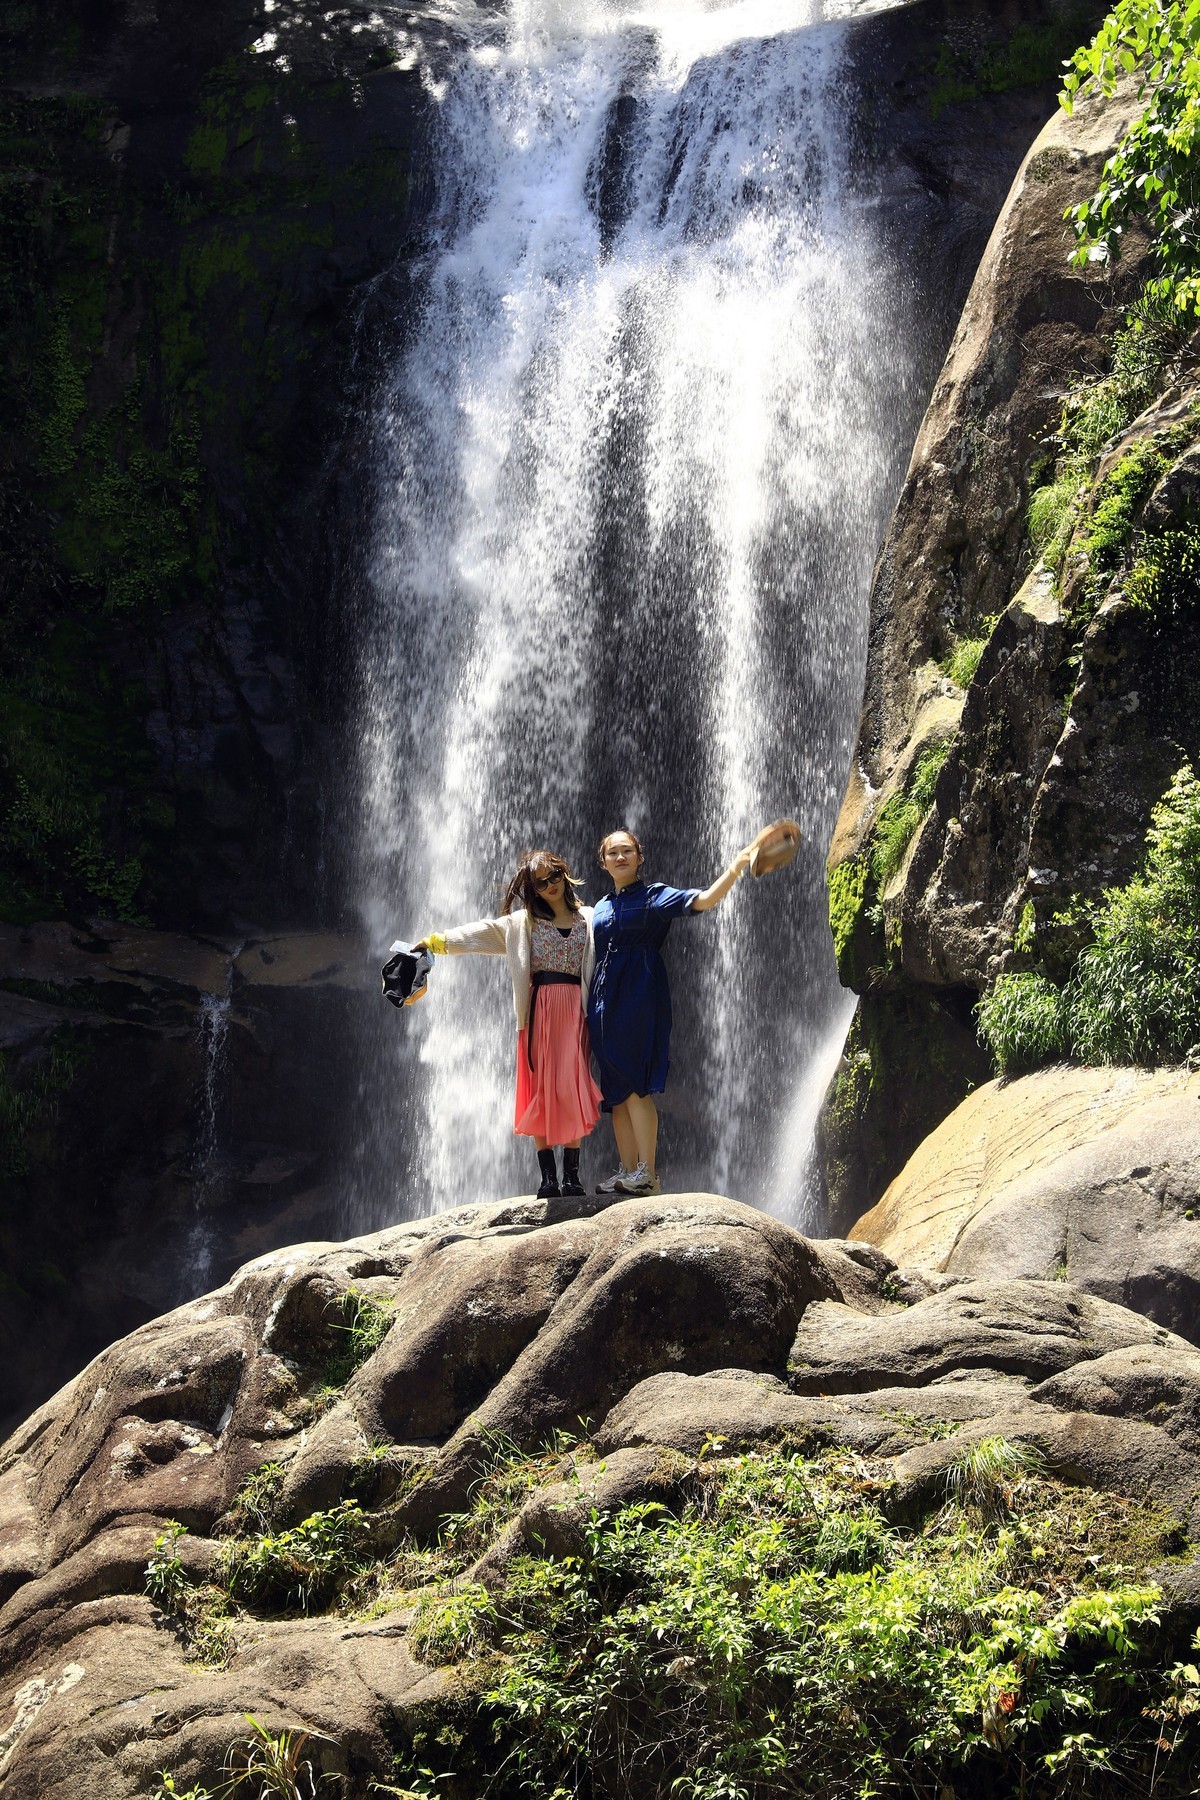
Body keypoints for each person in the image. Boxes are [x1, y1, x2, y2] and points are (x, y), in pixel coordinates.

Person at [416, 851, 601, 1199]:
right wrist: (436, 942)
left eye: (554, 877)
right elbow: (480, 934)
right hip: (539, 1010)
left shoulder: (589, 918)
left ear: (565, 873)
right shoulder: (522, 922)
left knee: (572, 1087)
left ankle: (572, 1176)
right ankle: (548, 1177)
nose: (550, 886)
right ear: (531, 889)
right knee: (542, 1089)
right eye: (540, 882)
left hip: (576, 1011)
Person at [588, 828, 752, 1197]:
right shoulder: (598, 907)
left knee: (635, 1086)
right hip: (602, 1001)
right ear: (603, 862)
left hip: (638, 995)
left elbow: (705, 900)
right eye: (612, 853)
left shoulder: (654, 896)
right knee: (614, 1092)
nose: (620, 857)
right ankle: (627, 1171)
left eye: (626, 851)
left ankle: (647, 1174)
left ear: (639, 857)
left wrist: (734, 868)